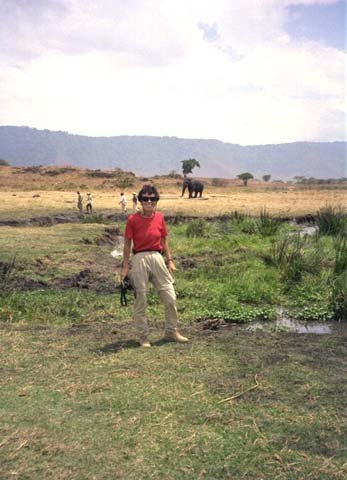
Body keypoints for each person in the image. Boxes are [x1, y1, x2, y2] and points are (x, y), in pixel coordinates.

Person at [121, 184, 189, 347]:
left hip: (158, 258)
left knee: (170, 296)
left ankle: (171, 332)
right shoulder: (132, 219)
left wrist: (170, 260)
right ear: (140, 200)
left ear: (156, 200)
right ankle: (143, 336)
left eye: (153, 198)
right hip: (139, 259)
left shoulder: (159, 217)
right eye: (146, 198)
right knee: (141, 299)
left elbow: (164, 240)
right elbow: (127, 244)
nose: (149, 201)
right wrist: (125, 267)